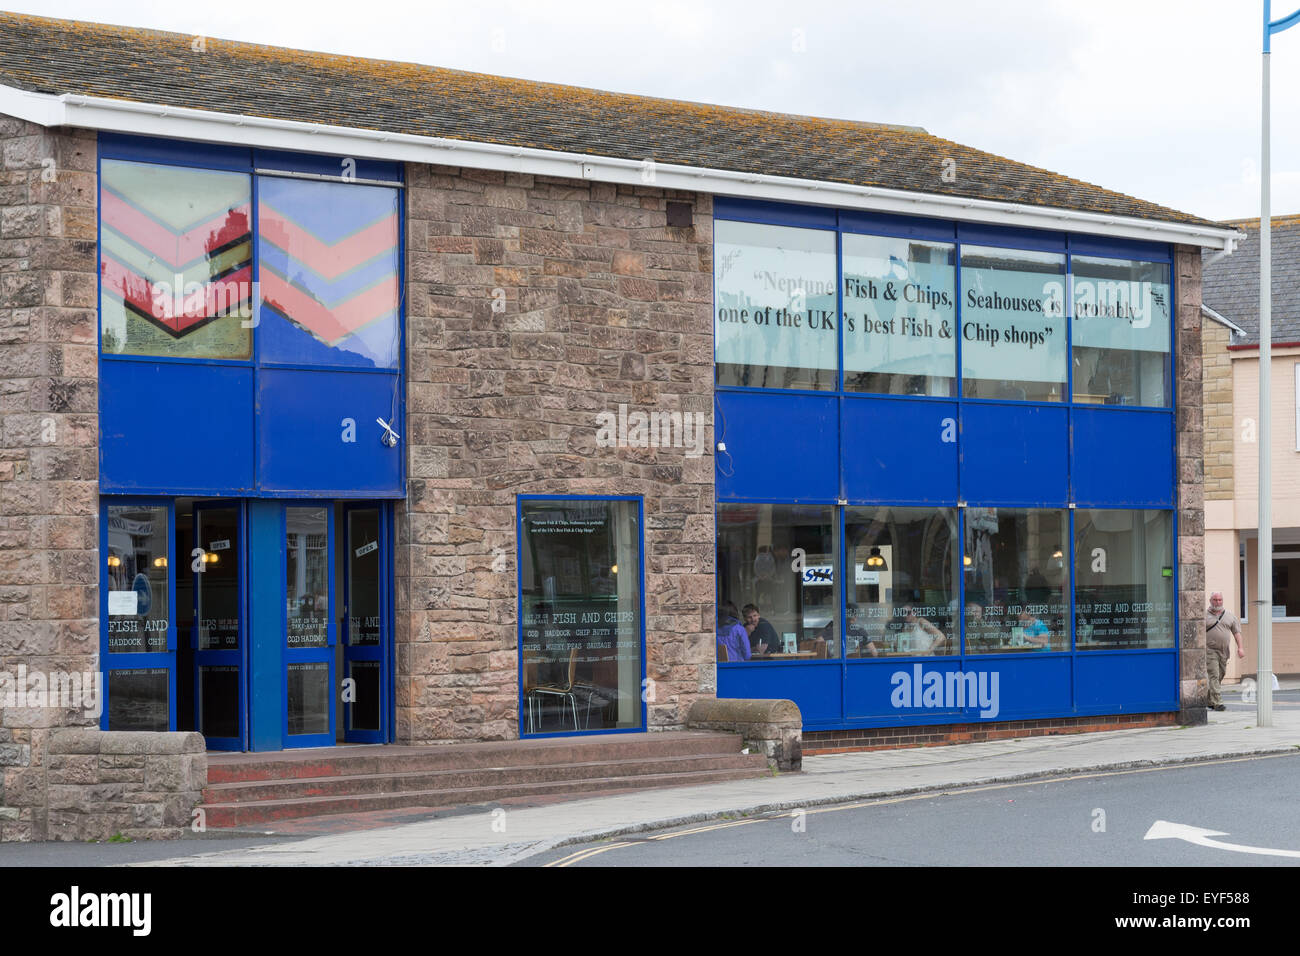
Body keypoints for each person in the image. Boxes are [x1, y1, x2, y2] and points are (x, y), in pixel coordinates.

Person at [1205, 591, 1244, 711]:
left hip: (1224, 651)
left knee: (1220, 674)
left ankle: (1209, 700)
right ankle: (1218, 703)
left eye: (1220, 600)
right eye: (1215, 600)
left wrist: (1240, 648)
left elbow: (1237, 633)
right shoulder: (1204, 615)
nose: (1217, 602)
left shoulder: (1230, 616)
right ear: (1210, 601)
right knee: (1214, 675)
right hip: (1209, 650)